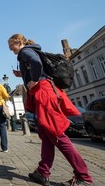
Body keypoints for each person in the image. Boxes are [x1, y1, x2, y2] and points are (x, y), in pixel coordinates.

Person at [8, 34, 93, 186]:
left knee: (57, 135)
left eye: (11, 45)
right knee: (46, 136)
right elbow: (38, 68)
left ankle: (83, 176)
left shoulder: (25, 52)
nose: (10, 48)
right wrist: (23, 74)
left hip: (44, 94)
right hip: (45, 92)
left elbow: (36, 63)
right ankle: (42, 172)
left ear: (19, 42)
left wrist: (33, 80)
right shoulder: (31, 50)